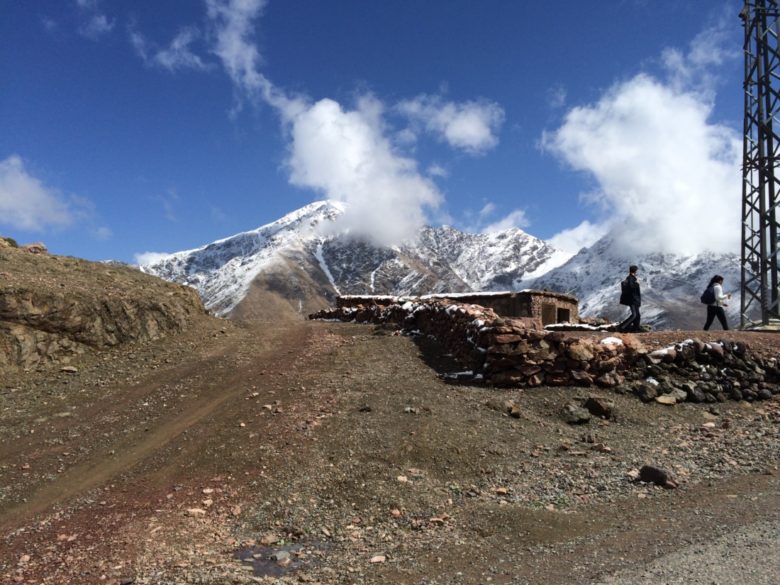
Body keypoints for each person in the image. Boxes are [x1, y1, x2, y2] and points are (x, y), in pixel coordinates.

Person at [618, 265, 642, 332]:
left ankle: (636, 328)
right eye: (637, 270)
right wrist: (637, 283)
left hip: (635, 299)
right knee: (634, 315)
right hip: (633, 300)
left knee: (638, 315)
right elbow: (631, 287)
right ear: (635, 271)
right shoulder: (631, 278)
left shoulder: (631, 278)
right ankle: (622, 327)